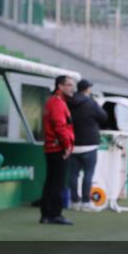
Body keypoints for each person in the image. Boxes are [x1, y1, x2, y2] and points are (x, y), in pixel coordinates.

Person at [67, 79, 108, 211]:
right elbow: (104, 117)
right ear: (87, 89)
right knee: (88, 174)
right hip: (89, 144)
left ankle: (74, 202)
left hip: (73, 144)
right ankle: (85, 202)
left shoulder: (68, 102)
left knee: (73, 175)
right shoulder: (91, 103)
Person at [40, 75, 75, 225]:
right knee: (57, 183)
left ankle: (46, 215)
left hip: (52, 147)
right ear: (60, 86)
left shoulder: (53, 101)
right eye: (69, 85)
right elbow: (60, 127)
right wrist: (67, 146)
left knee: (51, 182)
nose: (72, 88)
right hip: (58, 147)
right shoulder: (57, 103)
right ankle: (54, 214)